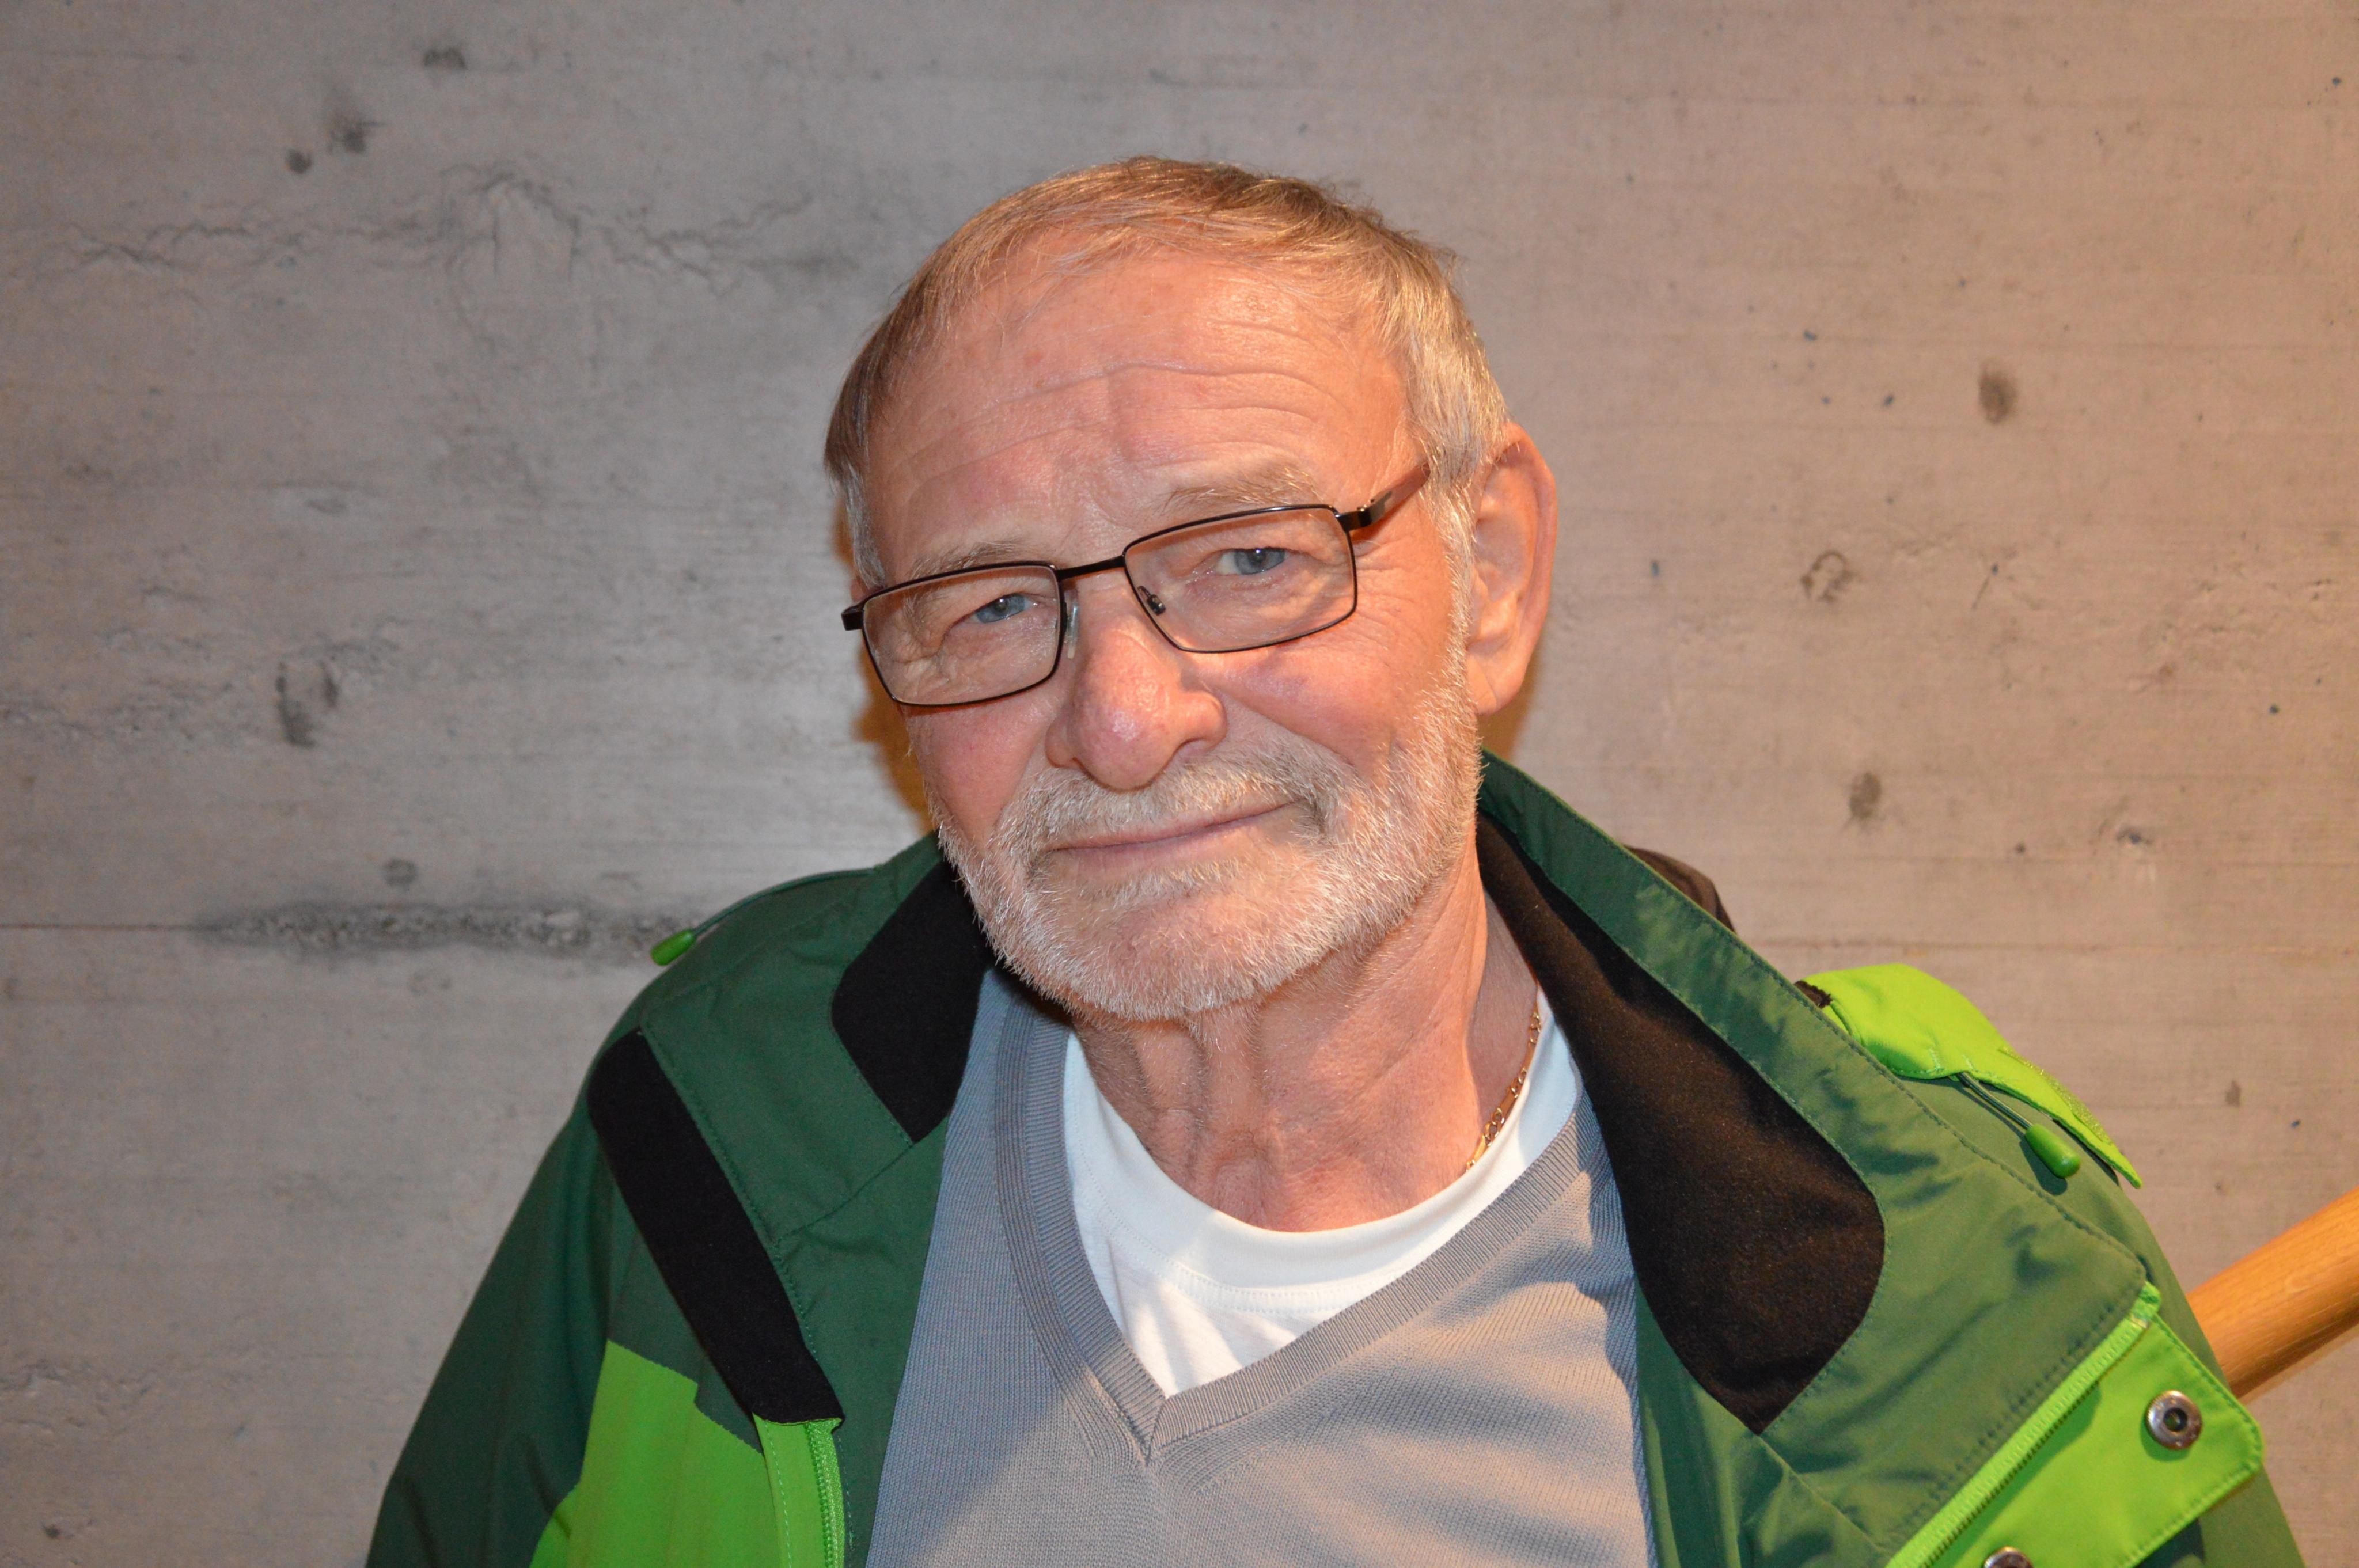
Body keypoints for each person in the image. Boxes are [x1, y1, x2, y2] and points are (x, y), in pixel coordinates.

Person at [369, 158, 2304, 1568]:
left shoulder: (1956, 1277)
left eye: (1248, 557)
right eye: (991, 603)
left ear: (1493, 574)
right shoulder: (710, 1134)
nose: (1127, 719)